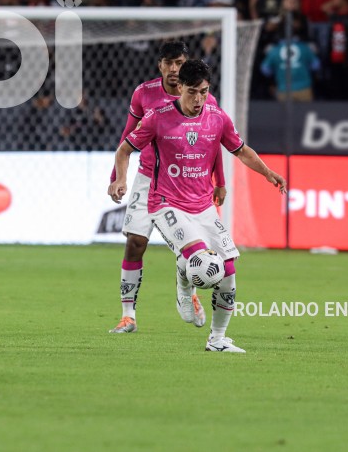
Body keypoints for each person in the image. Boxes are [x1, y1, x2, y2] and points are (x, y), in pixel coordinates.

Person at [109, 60, 287, 352]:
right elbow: (125, 149)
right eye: (192, 92)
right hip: (165, 204)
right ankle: (184, 286)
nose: (198, 99)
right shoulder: (157, 117)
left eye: (203, 92)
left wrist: (268, 173)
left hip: (203, 207)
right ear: (179, 88)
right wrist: (120, 179)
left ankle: (217, 339)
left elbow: (241, 151)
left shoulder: (217, 118)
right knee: (202, 263)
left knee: (228, 270)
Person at [108, 42, 226, 334]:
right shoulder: (144, 93)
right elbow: (128, 136)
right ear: (160, 64)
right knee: (135, 242)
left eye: (180, 63)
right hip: (148, 177)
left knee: (192, 248)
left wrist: (219, 181)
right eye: (169, 63)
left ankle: (188, 292)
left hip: (186, 182)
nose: (174, 69)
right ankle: (127, 315)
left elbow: (215, 144)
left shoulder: (203, 98)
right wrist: (118, 177)